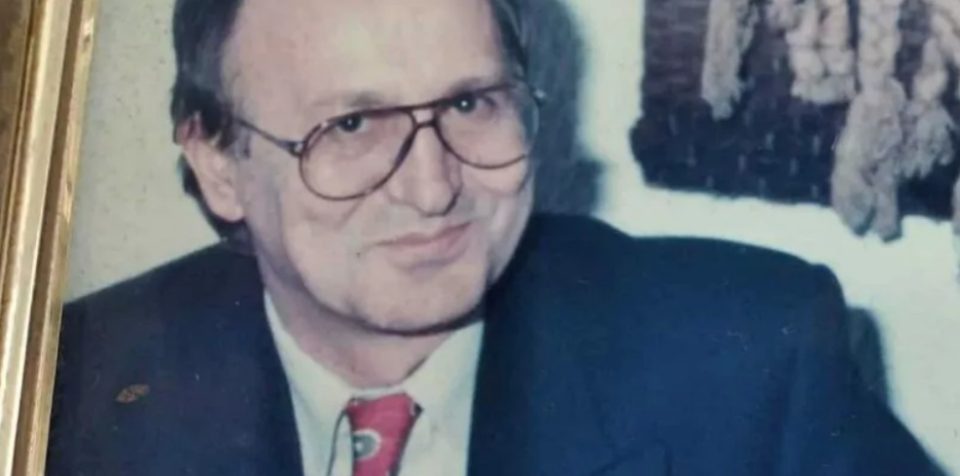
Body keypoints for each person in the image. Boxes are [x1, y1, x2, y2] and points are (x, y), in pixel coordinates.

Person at [47, 0, 939, 474]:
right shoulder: (62, 392)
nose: (434, 189)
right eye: (351, 127)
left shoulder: (751, 359)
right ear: (218, 164)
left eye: (471, 104)